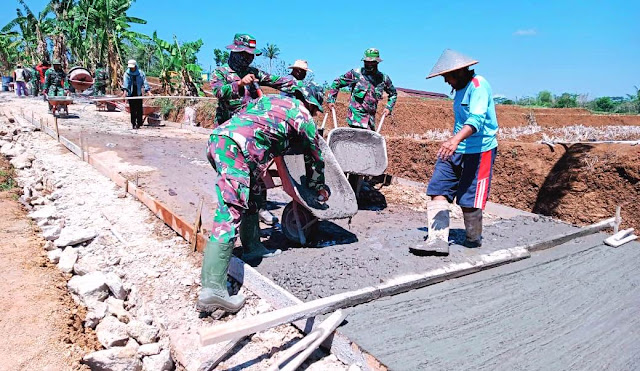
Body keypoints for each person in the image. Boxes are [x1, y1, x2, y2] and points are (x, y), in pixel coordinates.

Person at [199, 84, 329, 313]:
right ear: (310, 102)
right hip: (235, 149)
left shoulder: (270, 102)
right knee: (230, 210)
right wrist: (317, 186)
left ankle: (253, 247)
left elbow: (254, 127)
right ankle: (212, 291)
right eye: (315, 109)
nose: (314, 114)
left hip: (222, 141)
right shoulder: (302, 114)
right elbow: (315, 154)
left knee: (255, 193)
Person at [411, 49, 499, 256]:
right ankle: (437, 240)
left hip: (479, 150)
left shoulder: (478, 85)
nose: (445, 81)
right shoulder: (459, 89)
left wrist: (454, 139)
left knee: (469, 202)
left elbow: (476, 120)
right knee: (438, 188)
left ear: (459, 71)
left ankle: (473, 238)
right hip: (456, 148)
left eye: (446, 76)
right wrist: (454, 142)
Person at [210, 33, 300, 226]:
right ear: (235, 52)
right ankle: (231, 217)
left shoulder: (254, 72)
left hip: (251, 136)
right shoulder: (221, 73)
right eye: (246, 54)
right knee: (234, 179)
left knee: (258, 176)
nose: (249, 58)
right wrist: (239, 84)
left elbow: (277, 80)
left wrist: (300, 86)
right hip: (229, 137)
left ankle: (258, 209)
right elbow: (218, 92)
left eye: (251, 55)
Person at [327, 48, 397, 131]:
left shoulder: (383, 78)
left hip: (370, 122)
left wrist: (388, 108)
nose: (369, 64)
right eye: (367, 62)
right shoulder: (356, 74)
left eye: (372, 62)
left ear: (377, 62)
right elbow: (337, 83)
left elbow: (393, 94)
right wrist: (331, 100)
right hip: (355, 120)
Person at [121, 59, 151, 129]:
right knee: (133, 110)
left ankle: (139, 123)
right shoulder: (127, 74)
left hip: (138, 93)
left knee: (139, 109)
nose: (131, 68)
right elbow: (126, 84)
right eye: (130, 67)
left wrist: (149, 92)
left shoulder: (141, 74)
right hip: (131, 93)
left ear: (135, 66)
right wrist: (124, 94)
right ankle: (133, 123)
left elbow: (145, 83)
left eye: (132, 67)